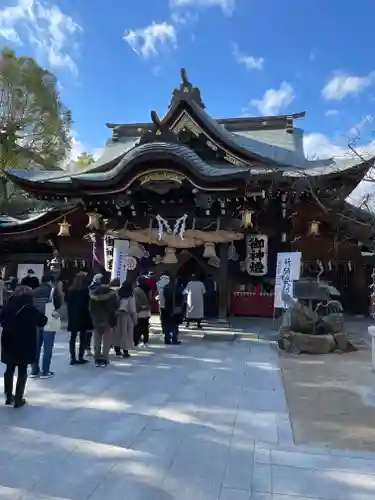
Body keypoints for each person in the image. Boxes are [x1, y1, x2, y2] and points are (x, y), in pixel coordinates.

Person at [0, 285, 47, 408]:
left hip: (8, 341)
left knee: (9, 369)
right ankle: (18, 398)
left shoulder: (8, 306)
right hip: (25, 342)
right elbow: (42, 321)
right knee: (22, 369)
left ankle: (8, 396)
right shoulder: (30, 309)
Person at [89, 273, 118, 367]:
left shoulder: (93, 293)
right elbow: (115, 307)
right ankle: (104, 359)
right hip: (108, 319)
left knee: (97, 339)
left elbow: (90, 308)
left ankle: (97, 358)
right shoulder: (112, 293)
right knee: (106, 340)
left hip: (96, 319)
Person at [30, 275, 56, 378]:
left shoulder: (33, 291)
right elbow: (58, 304)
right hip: (49, 319)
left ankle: (34, 370)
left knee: (36, 346)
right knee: (48, 346)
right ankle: (45, 371)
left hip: (36, 320)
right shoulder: (52, 291)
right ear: (50, 281)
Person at [66, 272, 92, 365]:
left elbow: (67, 303)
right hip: (83, 316)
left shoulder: (70, 290)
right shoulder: (85, 291)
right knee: (82, 337)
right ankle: (80, 356)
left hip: (73, 316)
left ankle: (72, 358)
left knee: (72, 337)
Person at [112, 281, 137, 357]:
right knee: (125, 334)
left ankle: (117, 349)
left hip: (116, 315)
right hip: (126, 316)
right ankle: (125, 351)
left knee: (116, 333)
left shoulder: (117, 293)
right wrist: (135, 320)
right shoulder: (130, 296)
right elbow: (132, 310)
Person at [163, 277, 184, 345]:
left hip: (166, 308)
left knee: (167, 325)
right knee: (175, 325)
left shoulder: (165, 287)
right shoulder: (177, 289)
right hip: (174, 308)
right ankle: (174, 340)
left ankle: (167, 339)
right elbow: (180, 298)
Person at [134, 277, 151, 346]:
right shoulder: (148, 288)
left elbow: (136, 301)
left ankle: (137, 340)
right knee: (145, 326)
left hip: (140, 310)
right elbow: (150, 297)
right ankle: (145, 340)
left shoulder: (136, 290)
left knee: (138, 326)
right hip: (146, 309)